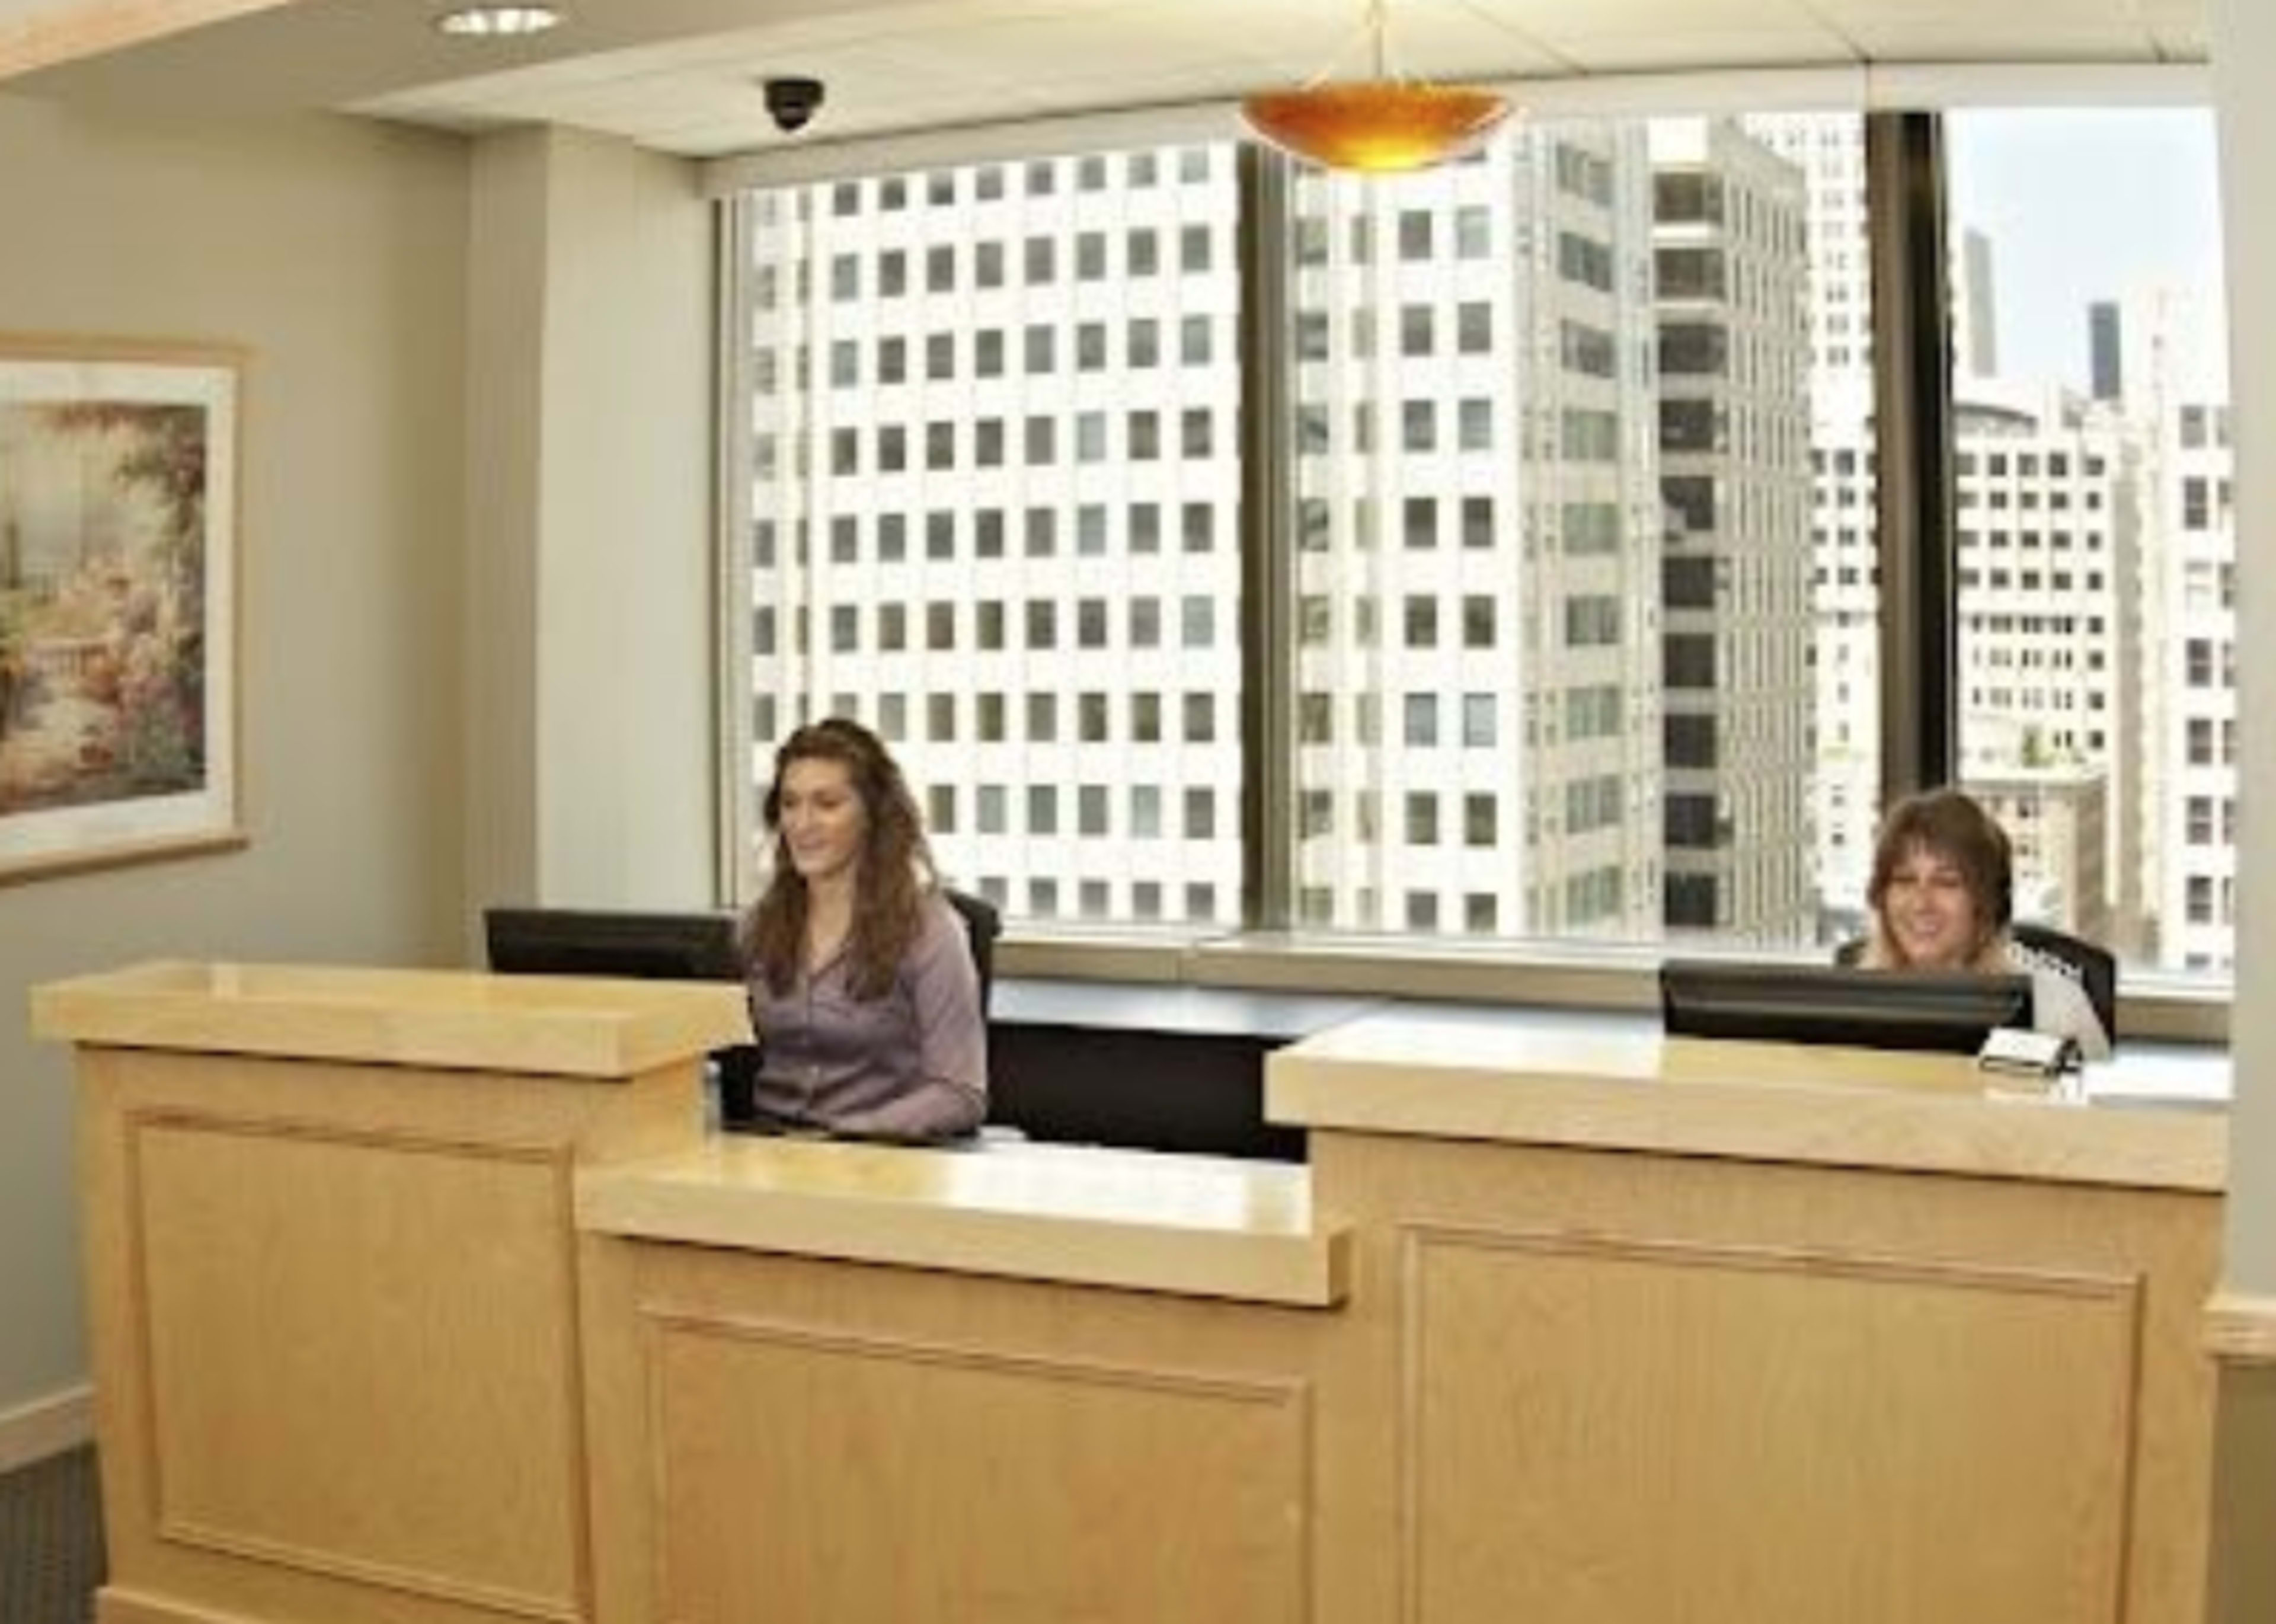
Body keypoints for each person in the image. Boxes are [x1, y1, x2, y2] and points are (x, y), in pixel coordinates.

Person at [737, 717, 987, 1139]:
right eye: (790, 803)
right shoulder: (760, 926)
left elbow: (960, 1092)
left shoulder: (930, 930)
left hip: (875, 1158)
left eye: (827, 804)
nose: (802, 824)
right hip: (770, 1153)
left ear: (872, 814)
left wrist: (845, 1135)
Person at [1858, 787, 2111, 1060]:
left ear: (1987, 904)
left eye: (1947, 883)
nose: (1921, 904)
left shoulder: (2056, 1008)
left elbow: (2091, 1101)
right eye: (1905, 880)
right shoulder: (1851, 1003)